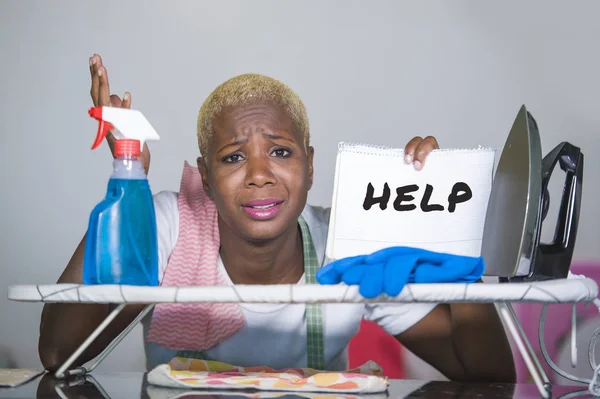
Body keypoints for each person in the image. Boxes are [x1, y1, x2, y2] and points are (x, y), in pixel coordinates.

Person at [37, 54, 515, 382]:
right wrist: (131, 192)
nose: (260, 175)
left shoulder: (347, 246)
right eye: (232, 158)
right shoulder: (165, 224)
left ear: (309, 166)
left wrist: (458, 233)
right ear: (203, 175)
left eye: (281, 152)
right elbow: (60, 353)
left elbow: (487, 376)